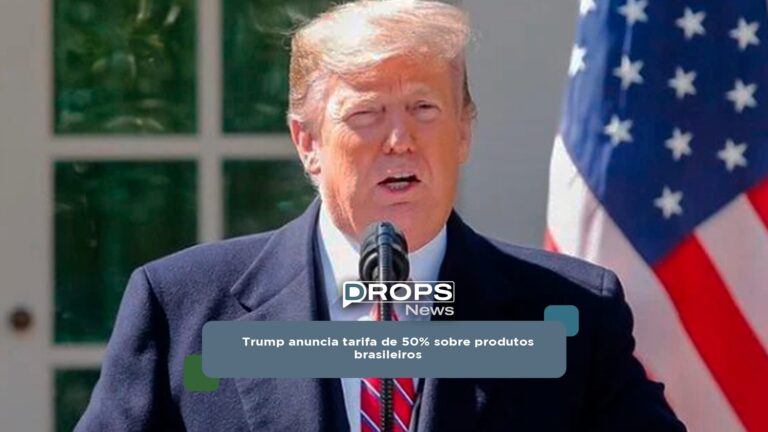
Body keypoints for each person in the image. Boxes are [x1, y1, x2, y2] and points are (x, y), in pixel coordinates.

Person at [76, 1, 686, 431]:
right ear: (308, 142)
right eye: (366, 114)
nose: (399, 140)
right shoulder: (181, 306)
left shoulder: (573, 314)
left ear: (464, 131)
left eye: (424, 108)